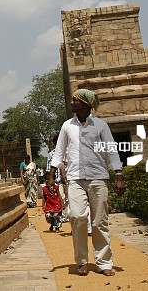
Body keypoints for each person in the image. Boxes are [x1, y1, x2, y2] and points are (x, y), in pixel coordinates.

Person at [51, 89, 125, 277]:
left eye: (75, 100)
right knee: (77, 217)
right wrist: (51, 175)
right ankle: (82, 260)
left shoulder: (100, 126)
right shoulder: (67, 126)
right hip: (75, 178)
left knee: (100, 221)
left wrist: (119, 175)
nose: (72, 103)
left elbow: (111, 150)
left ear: (86, 103)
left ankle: (104, 262)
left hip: (98, 178)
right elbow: (59, 151)